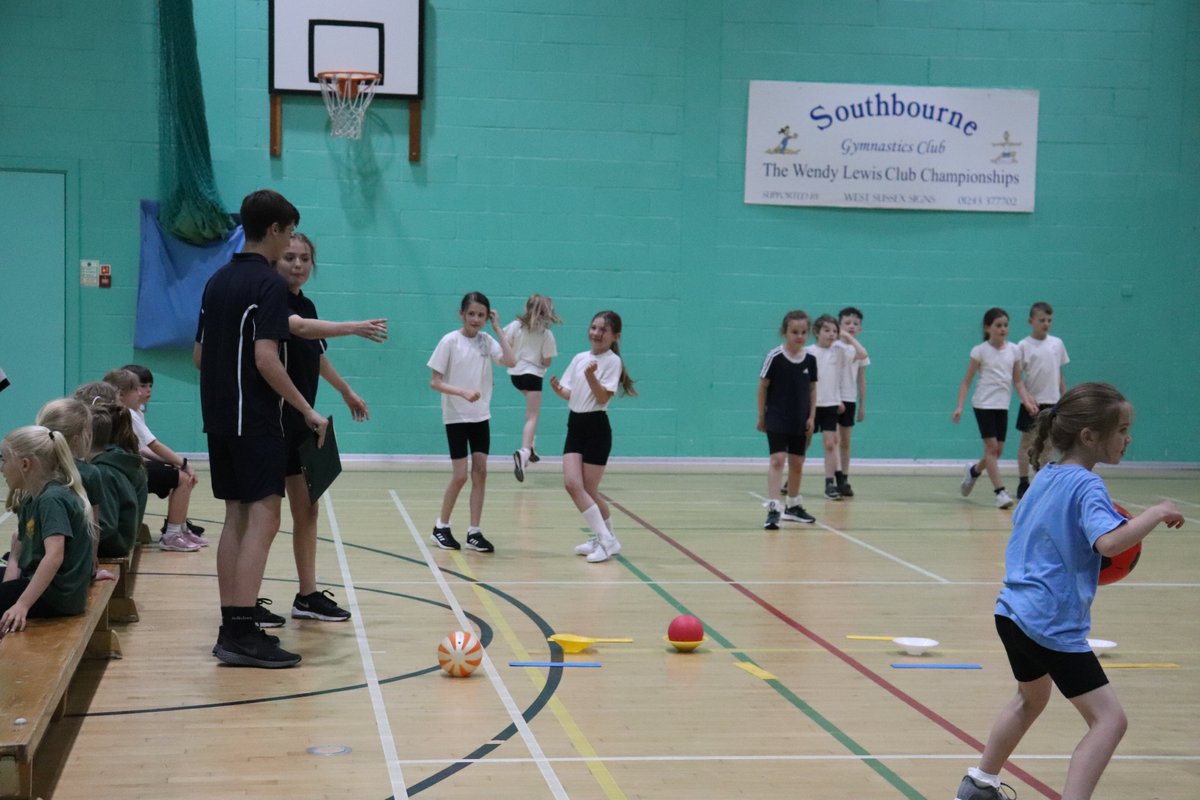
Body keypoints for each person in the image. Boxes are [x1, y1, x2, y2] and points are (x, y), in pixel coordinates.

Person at [954, 383, 1184, 800]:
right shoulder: (1087, 486)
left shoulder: (1047, 476)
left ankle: (980, 784)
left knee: (1030, 698)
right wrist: (1155, 512)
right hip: (1050, 622)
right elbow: (1111, 544)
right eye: (1122, 429)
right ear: (1089, 436)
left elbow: (1029, 528)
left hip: (1012, 612)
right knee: (1109, 721)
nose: (1128, 438)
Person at [194, 188, 328, 669]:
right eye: (289, 233)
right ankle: (242, 632)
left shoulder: (217, 281)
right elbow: (266, 358)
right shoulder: (267, 286)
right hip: (255, 420)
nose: (290, 244)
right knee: (266, 517)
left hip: (218, 419)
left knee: (236, 518)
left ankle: (233, 624)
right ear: (273, 231)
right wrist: (306, 409)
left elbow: (199, 355)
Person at [275, 232, 387, 623]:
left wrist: (347, 392)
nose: (297, 264)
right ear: (275, 259)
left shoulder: (307, 303)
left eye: (304, 258)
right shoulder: (274, 300)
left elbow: (316, 356)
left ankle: (306, 596)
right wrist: (353, 327)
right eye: (289, 256)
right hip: (274, 420)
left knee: (308, 510)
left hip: (305, 418)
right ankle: (243, 604)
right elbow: (301, 330)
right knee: (264, 517)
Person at [426, 291, 515, 553]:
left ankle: (474, 532)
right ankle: (441, 527)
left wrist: (498, 329)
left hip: (481, 416)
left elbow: (511, 361)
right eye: (472, 314)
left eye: (482, 315)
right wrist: (462, 392)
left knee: (481, 473)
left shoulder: (487, 341)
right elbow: (435, 381)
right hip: (456, 417)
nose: (476, 319)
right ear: (461, 314)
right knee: (460, 476)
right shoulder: (449, 341)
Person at [550, 310, 636, 563]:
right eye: (594, 327)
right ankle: (607, 538)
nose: (596, 333)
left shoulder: (612, 362)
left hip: (596, 428)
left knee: (588, 489)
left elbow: (601, 397)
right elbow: (573, 394)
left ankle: (605, 539)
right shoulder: (579, 358)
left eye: (603, 330)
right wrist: (559, 390)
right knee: (572, 484)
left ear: (615, 336)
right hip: (575, 425)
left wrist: (590, 376)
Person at [1, 425, 97, 634]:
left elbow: (54, 556)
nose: (2, 468)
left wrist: (22, 604)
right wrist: (7, 595)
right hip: (41, 584)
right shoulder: (29, 499)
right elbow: (18, 554)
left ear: (25, 464)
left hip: (57, 597)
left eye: (4, 460)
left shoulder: (51, 499)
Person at [112, 365, 205, 550]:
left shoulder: (135, 411)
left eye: (149, 386)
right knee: (184, 478)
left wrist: (172, 462)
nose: (144, 392)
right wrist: (184, 463)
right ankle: (172, 535)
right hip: (127, 473)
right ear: (123, 393)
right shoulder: (128, 413)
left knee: (176, 473)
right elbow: (154, 444)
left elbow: (142, 448)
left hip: (129, 467)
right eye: (139, 387)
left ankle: (178, 526)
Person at [952, 307, 1036, 509]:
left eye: (1006, 325)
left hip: (1002, 405)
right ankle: (1000, 493)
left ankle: (973, 471)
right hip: (983, 404)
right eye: (998, 325)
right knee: (990, 449)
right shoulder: (980, 351)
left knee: (997, 451)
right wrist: (959, 406)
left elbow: (1018, 382)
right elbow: (966, 382)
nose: (1003, 329)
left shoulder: (1014, 350)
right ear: (988, 328)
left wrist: (1026, 401)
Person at [72, 382, 149, 557]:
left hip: (112, 544)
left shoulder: (105, 469)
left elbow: (105, 526)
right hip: (120, 538)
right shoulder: (119, 453)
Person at [757, 310, 817, 529]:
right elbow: (762, 387)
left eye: (803, 332)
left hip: (800, 419)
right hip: (777, 417)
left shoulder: (810, 360)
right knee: (777, 460)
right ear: (784, 332)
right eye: (794, 332)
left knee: (797, 463)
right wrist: (762, 415)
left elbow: (812, 389)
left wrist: (812, 416)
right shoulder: (775, 357)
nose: (799, 336)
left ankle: (793, 506)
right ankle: (774, 508)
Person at [805, 314, 867, 501]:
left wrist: (847, 337)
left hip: (831, 405)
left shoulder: (840, 351)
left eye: (834, 331)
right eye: (827, 330)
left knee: (830, 443)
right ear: (816, 332)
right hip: (811, 406)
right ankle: (792, 477)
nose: (831, 334)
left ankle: (829, 483)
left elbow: (862, 354)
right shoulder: (809, 352)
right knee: (803, 443)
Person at [1014, 303, 1069, 499]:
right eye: (1041, 320)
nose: (1046, 324)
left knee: (1048, 445)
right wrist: (1026, 399)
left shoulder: (1057, 344)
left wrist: (1065, 397)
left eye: (1049, 320)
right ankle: (1023, 482)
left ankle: (1042, 482)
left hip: (1053, 402)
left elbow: (1059, 374)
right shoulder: (1023, 346)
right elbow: (1017, 377)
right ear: (1031, 321)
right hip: (1032, 403)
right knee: (1026, 443)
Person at [504, 294, 561, 482]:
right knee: (532, 415)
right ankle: (524, 451)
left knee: (531, 414)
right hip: (533, 376)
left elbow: (505, 344)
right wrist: (540, 359)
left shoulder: (515, 326)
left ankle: (532, 444)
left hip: (515, 376)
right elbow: (547, 361)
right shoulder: (546, 334)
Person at [834, 307, 869, 497]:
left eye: (856, 324)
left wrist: (862, 404)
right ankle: (835, 478)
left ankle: (844, 477)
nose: (851, 326)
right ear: (840, 326)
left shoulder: (858, 350)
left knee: (845, 441)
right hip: (832, 399)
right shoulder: (835, 347)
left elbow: (861, 379)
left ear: (860, 329)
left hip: (849, 399)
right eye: (847, 323)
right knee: (833, 440)